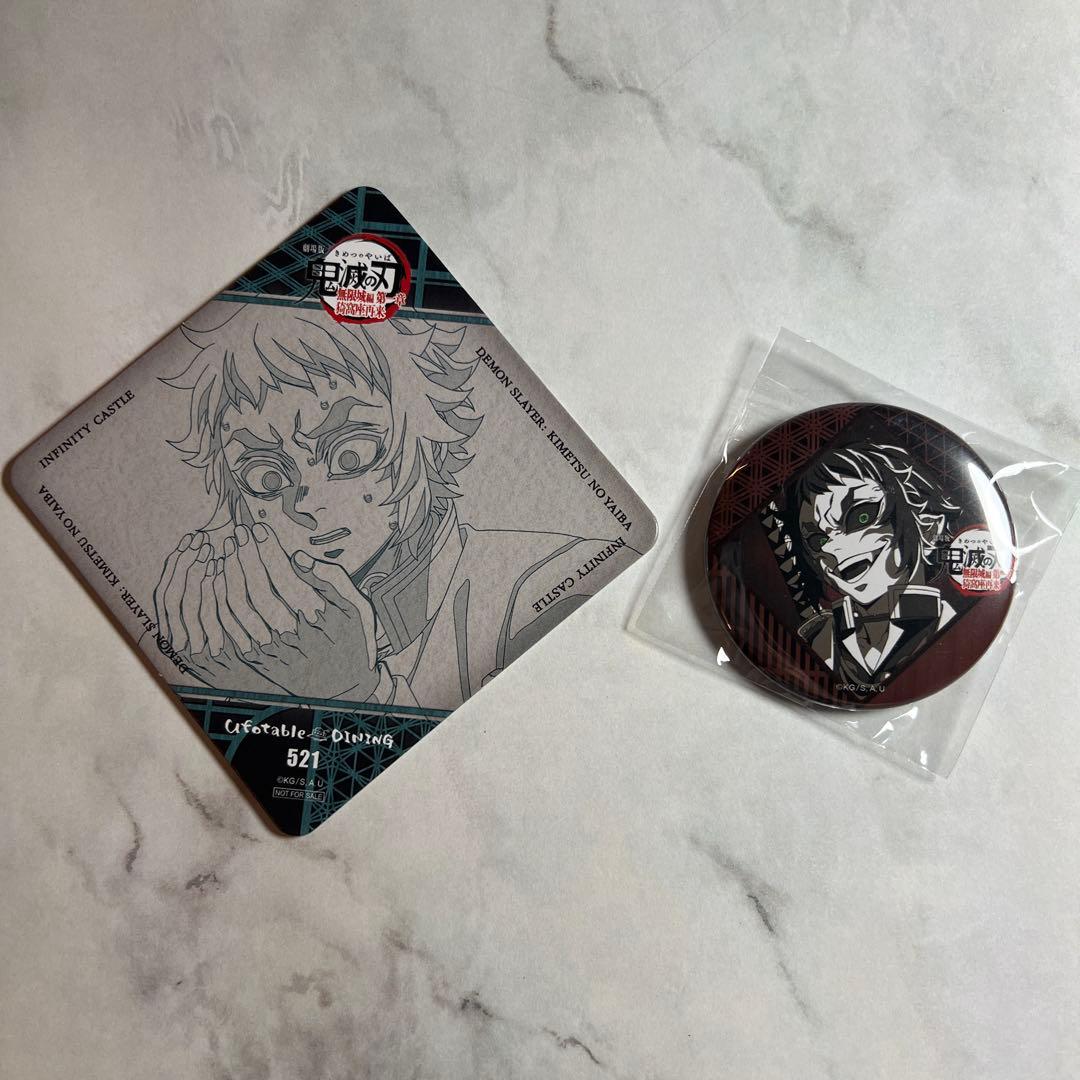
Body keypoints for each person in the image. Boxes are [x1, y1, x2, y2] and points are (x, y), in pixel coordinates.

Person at [153, 303, 633, 708]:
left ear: (430, 436)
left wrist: (355, 692)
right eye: (267, 478)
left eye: (349, 454)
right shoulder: (222, 628)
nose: (305, 502)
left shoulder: (549, 582)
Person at [788, 442, 958, 690]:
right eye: (818, 540)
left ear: (928, 525)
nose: (831, 549)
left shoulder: (953, 631)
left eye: (861, 516)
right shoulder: (818, 639)